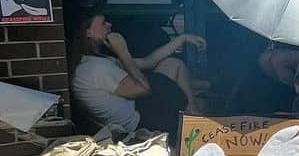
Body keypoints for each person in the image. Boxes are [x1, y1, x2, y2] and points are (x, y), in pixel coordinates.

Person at [70, 13, 206, 143]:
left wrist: (182, 38)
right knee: (177, 89)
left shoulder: (92, 61)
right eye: (103, 23)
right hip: (139, 123)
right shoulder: (96, 68)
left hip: (137, 108)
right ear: (88, 33)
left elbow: (148, 62)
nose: (109, 25)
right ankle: (193, 118)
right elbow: (143, 89)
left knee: (173, 64)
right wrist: (122, 51)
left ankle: (192, 112)